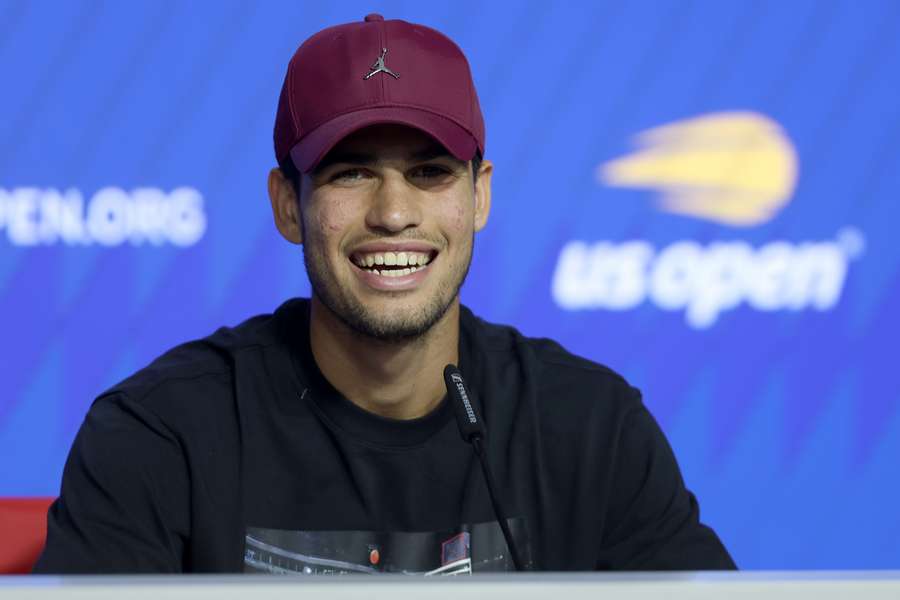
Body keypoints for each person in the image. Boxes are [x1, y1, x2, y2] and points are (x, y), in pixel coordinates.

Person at [34, 14, 735, 574]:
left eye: (429, 172)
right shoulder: (161, 434)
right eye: (351, 174)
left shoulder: (590, 428)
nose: (394, 213)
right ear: (286, 204)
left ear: (480, 195)